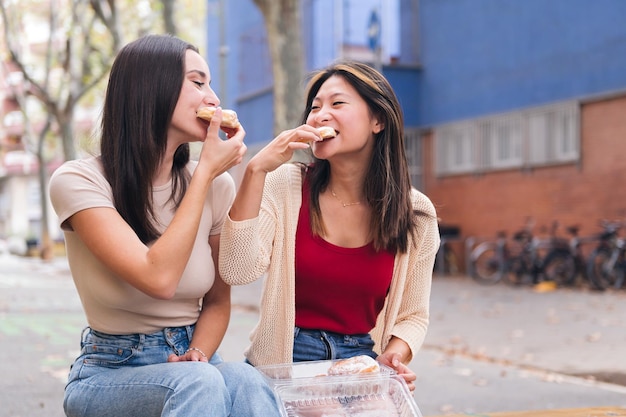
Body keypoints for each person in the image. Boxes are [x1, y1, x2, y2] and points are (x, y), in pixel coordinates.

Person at [49, 34, 281, 417]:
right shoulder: (78, 181)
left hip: (193, 359)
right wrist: (205, 171)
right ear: (150, 86)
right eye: (197, 81)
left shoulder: (215, 185)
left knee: (247, 381)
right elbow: (158, 279)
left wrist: (199, 354)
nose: (214, 98)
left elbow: (219, 302)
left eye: (210, 84)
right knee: (202, 382)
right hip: (110, 371)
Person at [218, 60, 440, 391]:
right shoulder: (284, 185)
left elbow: (412, 316)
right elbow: (237, 270)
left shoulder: (415, 212)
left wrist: (393, 358)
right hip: (283, 362)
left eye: (337, 103)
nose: (319, 115)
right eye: (315, 107)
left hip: (360, 363)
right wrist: (255, 171)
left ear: (377, 120)